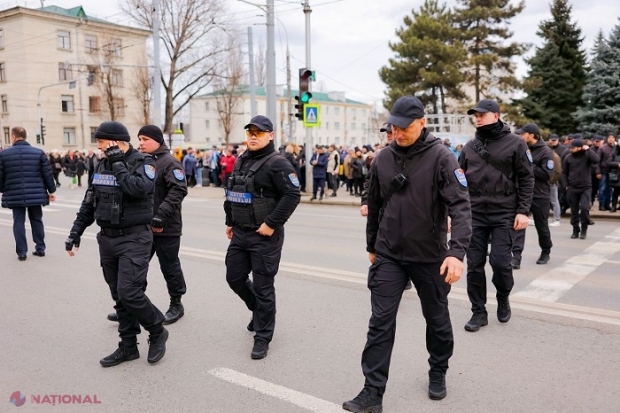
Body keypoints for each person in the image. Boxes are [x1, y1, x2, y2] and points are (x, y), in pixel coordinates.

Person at [343, 96, 471, 412]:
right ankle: (372, 392)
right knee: (380, 321)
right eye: (393, 128)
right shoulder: (383, 158)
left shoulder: (442, 158)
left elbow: (461, 206)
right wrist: (372, 246)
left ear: (421, 123)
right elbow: (373, 205)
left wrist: (456, 253)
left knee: (436, 317)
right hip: (389, 254)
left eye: (404, 128)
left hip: (429, 255)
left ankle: (438, 370)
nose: (397, 134)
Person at [65, 121, 169, 367]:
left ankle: (157, 330)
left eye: (101, 143)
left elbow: (138, 188)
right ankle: (128, 346)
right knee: (119, 296)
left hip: (134, 237)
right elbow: (90, 201)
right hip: (108, 238)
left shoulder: (145, 162)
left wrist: (118, 163)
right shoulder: (101, 164)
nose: (99, 148)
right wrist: (76, 232)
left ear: (114, 141)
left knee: (129, 292)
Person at [224, 115, 300, 360]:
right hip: (240, 232)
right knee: (234, 277)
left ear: (270, 135)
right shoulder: (242, 160)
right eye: (250, 132)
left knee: (263, 286)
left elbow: (292, 195)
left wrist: (271, 223)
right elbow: (233, 192)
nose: (253, 136)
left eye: (258, 132)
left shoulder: (278, 163)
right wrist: (229, 220)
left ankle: (263, 336)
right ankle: (258, 310)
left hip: (264, 236)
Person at [458, 99, 534, 332]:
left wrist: (523, 211)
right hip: (475, 213)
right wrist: (455, 212)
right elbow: (459, 181)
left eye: (482, 114)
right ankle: (478, 312)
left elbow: (526, 178)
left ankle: (503, 296)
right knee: (474, 265)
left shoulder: (515, 144)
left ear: (496, 116)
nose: (478, 118)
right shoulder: (470, 147)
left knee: (500, 262)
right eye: (475, 115)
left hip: (504, 212)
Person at [107, 125, 189, 325]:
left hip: (166, 227)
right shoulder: (140, 161)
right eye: (139, 139)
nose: (141, 143)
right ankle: (131, 305)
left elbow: (178, 190)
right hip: (142, 226)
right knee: (135, 268)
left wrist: (161, 215)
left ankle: (176, 303)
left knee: (169, 266)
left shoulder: (169, 162)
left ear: (158, 141)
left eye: (145, 139)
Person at [0, 126, 56, 261]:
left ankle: (21, 252)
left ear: (13, 137)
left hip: (14, 193)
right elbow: (47, 173)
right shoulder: (38, 153)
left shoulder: (3, 155)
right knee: (36, 220)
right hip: (36, 193)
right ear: (25, 136)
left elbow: (1, 176)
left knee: (18, 221)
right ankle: (40, 248)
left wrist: (3, 189)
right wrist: (51, 190)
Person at [511, 124, 554, 268]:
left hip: (540, 195)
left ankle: (545, 250)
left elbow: (547, 174)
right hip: (523, 194)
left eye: (523, 134)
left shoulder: (546, 152)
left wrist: (528, 165)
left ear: (532, 135)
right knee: (518, 225)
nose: (520, 136)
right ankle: (516, 257)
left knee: (542, 226)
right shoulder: (522, 148)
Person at [563, 139, 600, 239]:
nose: (571, 149)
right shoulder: (568, 157)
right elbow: (564, 172)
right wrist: (566, 185)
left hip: (585, 187)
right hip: (572, 187)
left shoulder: (587, 156)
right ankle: (575, 230)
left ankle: (584, 229)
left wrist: (588, 149)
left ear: (580, 148)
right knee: (574, 211)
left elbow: (596, 160)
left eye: (573, 148)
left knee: (584, 208)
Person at [597, 133, 616, 211]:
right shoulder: (602, 148)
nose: (611, 139)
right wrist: (598, 172)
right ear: (607, 139)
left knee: (610, 189)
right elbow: (597, 161)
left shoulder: (616, 148)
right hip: (603, 171)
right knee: (602, 188)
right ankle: (601, 204)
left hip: (613, 172)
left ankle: (607, 204)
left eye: (612, 137)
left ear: (615, 139)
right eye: (609, 137)